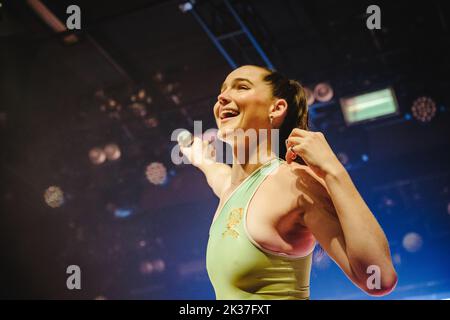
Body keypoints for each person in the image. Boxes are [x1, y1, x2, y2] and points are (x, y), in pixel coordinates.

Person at [180, 65, 397, 300]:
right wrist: (199, 157)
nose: (222, 97)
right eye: (221, 91)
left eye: (241, 87)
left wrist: (334, 171)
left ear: (276, 108)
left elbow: (379, 280)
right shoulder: (230, 190)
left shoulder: (294, 182)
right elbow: (215, 171)